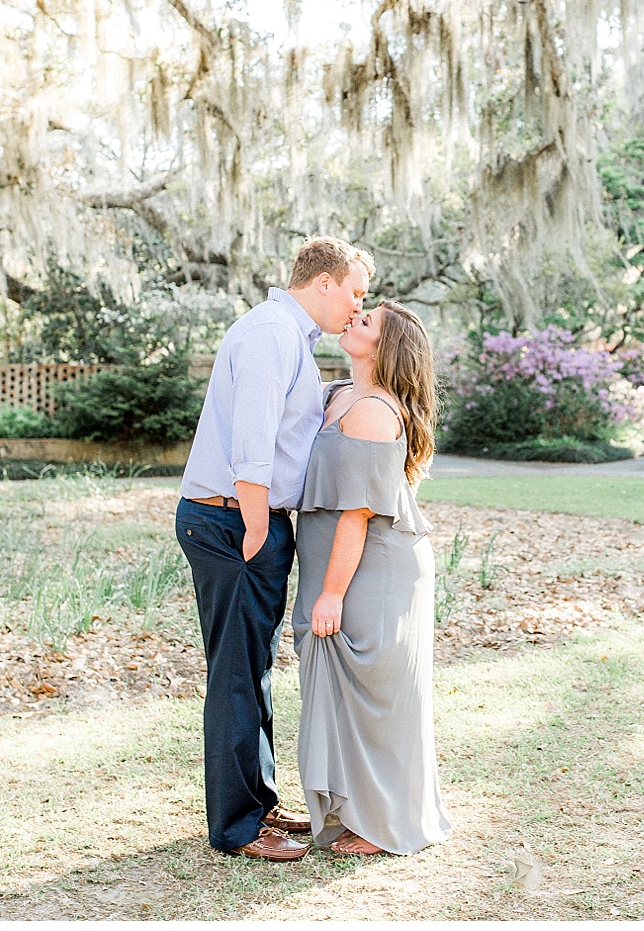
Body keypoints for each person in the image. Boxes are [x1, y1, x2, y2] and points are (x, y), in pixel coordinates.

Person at [176, 237, 372, 862]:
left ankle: (257, 802)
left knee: (253, 668)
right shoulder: (271, 334)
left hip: (246, 520)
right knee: (237, 672)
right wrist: (258, 530)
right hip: (234, 521)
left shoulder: (290, 338)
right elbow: (254, 441)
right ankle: (237, 826)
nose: (357, 306)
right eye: (355, 292)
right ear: (324, 283)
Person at [293, 300, 453, 856]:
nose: (355, 317)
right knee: (343, 687)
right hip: (339, 561)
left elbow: (356, 514)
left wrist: (331, 592)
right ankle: (353, 808)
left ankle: (383, 823)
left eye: (368, 322)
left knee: (375, 691)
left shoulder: (376, 413)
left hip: (375, 567)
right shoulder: (339, 395)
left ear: (385, 347)